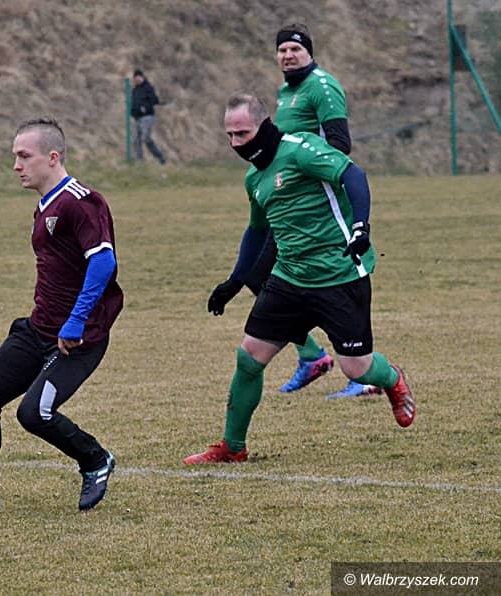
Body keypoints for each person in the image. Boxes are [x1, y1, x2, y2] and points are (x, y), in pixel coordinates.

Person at [184, 94, 415, 464]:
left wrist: (360, 227)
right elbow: (257, 231)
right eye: (229, 135)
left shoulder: (301, 149)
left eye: (242, 133)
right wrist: (235, 281)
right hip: (289, 278)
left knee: (356, 368)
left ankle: (392, 379)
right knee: (249, 358)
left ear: (263, 125)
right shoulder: (254, 178)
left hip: (339, 273)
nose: (235, 143)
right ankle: (233, 447)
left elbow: (353, 175)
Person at [0, 118, 124, 513]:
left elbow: (103, 263)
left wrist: (75, 321)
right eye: (15, 156)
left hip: (78, 339)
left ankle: (95, 460)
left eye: (24, 156)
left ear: (52, 157)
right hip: (37, 330)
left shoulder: (81, 201)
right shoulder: (46, 205)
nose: (16, 165)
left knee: (35, 413)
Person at [207, 24, 370, 400]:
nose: (288, 55)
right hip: (283, 195)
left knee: (280, 280)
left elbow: (339, 144)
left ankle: (353, 370)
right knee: (263, 280)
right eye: (282, 50)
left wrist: (307, 182)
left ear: (310, 52)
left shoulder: (321, 86)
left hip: (313, 202)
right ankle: (312, 355)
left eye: (295, 49)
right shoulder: (288, 91)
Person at [130, 70, 166, 164]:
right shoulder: (134, 90)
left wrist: (145, 107)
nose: (136, 80)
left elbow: (154, 100)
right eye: (135, 79)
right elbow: (132, 103)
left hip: (147, 117)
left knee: (145, 138)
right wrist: (132, 112)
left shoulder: (148, 87)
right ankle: (140, 161)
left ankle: (160, 157)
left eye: (138, 78)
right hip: (136, 118)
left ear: (142, 77)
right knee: (135, 140)